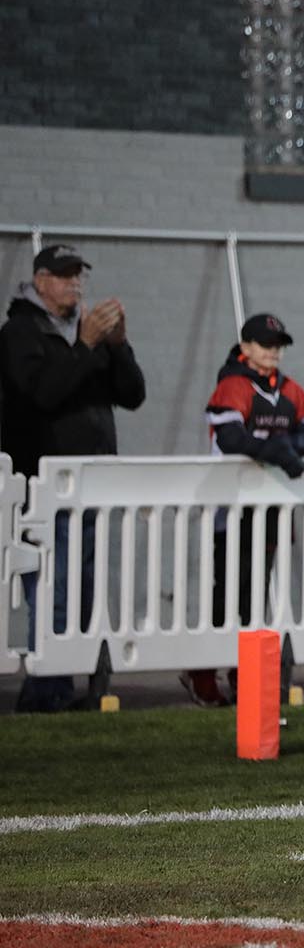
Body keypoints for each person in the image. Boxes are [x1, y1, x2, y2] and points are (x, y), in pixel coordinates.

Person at [1, 244, 146, 713]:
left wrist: (118, 345)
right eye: (64, 276)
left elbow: (133, 394)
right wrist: (83, 346)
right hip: (45, 484)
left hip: (91, 482)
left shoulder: (89, 332)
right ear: (40, 280)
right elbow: (42, 395)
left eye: (79, 276)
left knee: (84, 590)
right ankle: (45, 689)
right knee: (53, 588)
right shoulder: (20, 333)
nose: (75, 285)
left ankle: (71, 686)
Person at [182, 312, 304, 707]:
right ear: (245, 348)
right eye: (265, 345)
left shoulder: (287, 388)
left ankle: (244, 675)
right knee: (227, 594)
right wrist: (277, 449)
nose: (273, 352)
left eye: (278, 346)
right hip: (233, 512)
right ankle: (203, 674)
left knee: (254, 596)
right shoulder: (233, 384)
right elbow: (230, 438)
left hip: (270, 513)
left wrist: (289, 448)